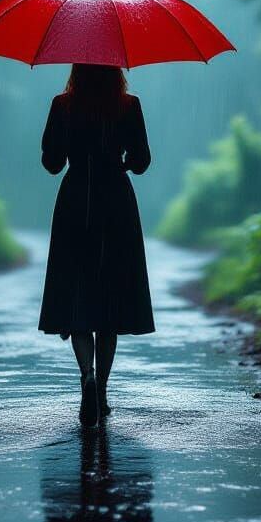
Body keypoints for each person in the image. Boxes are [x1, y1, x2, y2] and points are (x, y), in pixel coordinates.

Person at [38, 63, 155, 426]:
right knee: (109, 301)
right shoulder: (128, 104)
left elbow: (52, 163)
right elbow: (142, 162)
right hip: (116, 205)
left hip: (76, 203)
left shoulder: (63, 104)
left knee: (78, 295)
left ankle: (86, 377)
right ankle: (102, 389)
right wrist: (123, 159)